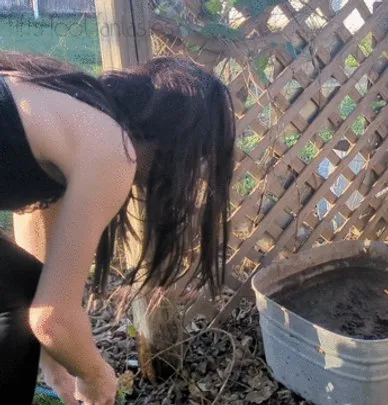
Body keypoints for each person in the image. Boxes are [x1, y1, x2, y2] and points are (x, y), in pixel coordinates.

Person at [0, 51, 236, 404]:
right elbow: (54, 319)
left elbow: (43, 295)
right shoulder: (112, 151)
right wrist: (96, 377)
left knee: (19, 292)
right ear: (175, 147)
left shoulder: (73, 118)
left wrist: (57, 363)